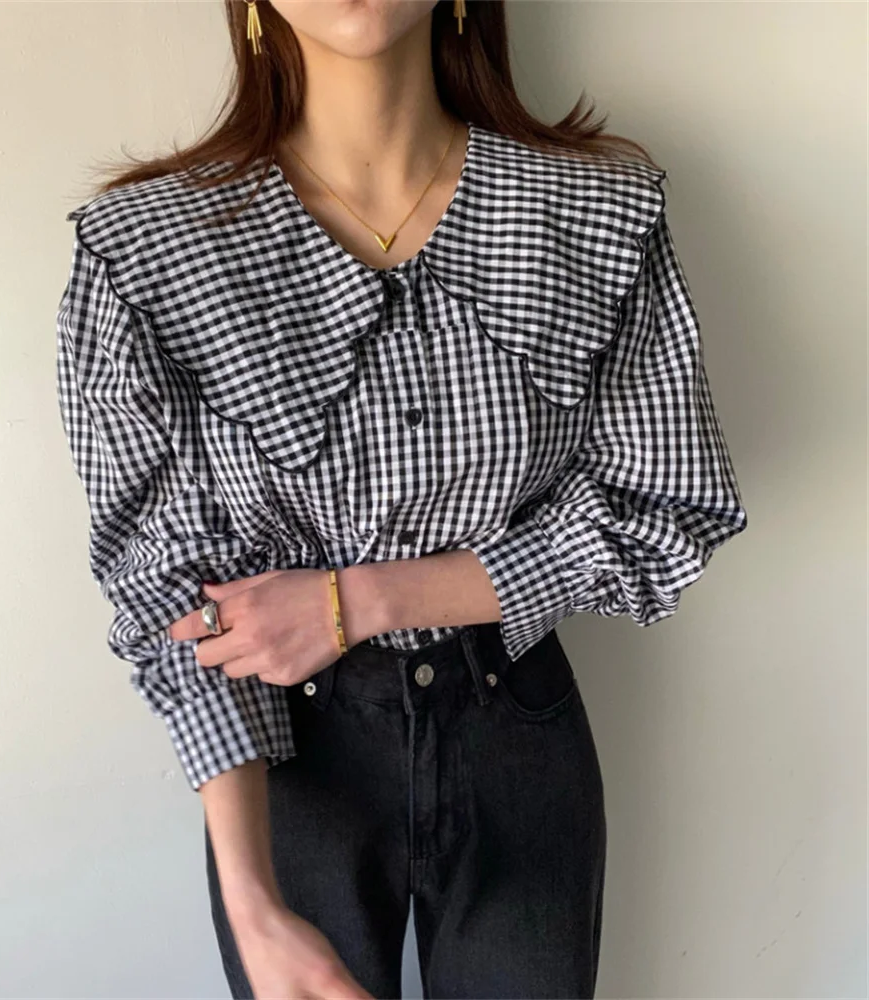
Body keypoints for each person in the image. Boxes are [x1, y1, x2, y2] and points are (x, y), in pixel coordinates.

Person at [54, 1, 749, 997]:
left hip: (518, 729)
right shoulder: (149, 252)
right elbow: (165, 591)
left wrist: (357, 599)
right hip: (285, 762)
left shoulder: (594, 211)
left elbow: (665, 505)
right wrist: (252, 902)